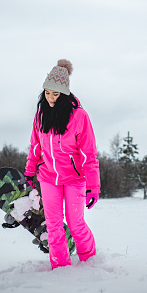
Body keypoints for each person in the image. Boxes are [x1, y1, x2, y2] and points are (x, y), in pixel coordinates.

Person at [24, 59, 100, 269]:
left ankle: (90, 260)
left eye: (55, 94)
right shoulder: (41, 116)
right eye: (47, 93)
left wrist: (93, 186)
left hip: (75, 179)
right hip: (48, 177)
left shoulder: (79, 117)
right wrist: (30, 172)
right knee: (54, 225)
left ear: (64, 94)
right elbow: (35, 147)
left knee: (75, 224)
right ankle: (60, 267)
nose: (50, 98)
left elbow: (89, 154)